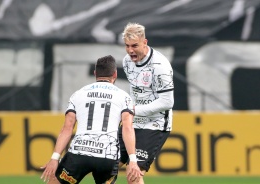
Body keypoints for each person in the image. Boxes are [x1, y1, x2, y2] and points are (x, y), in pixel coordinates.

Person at [41, 55, 142, 184]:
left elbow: (67, 128)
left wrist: (55, 158)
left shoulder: (78, 94)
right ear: (115, 74)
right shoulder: (124, 97)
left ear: (95, 73)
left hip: (79, 153)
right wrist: (132, 160)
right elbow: (127, 128)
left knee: (55, 180)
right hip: (107, 156)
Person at [119, 22, 175, 184]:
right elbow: (135, 91)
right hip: (133, 123)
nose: (130, 50)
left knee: (133, 173)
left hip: (155, 124)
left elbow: (167, 102)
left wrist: (133, 110)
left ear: (145, 42)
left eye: (134, 45)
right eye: (127, 46)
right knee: (108, 164)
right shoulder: (127, 61)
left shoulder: (159, 66)